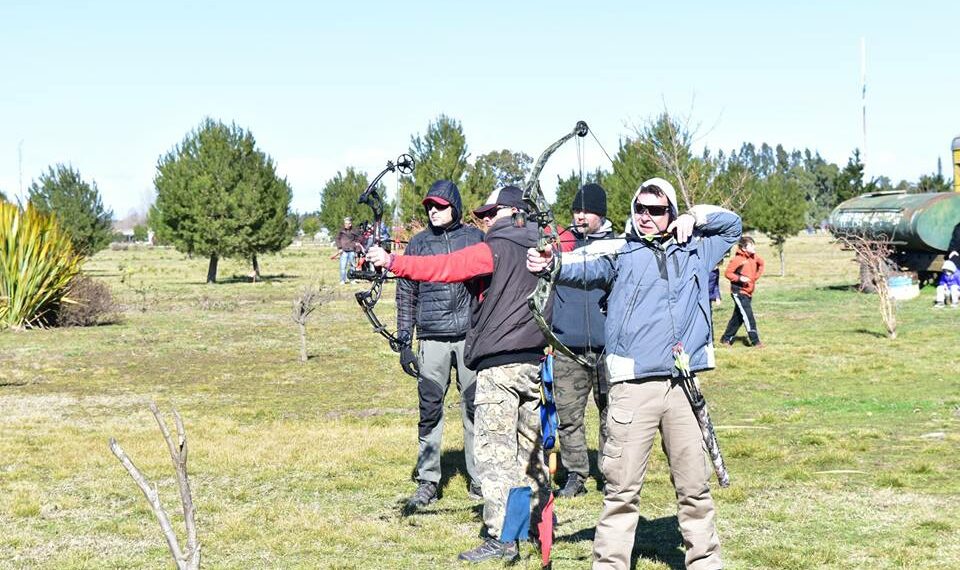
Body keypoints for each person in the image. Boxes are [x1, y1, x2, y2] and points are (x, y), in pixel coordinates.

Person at [527, 177, 741, 570]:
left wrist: (695, 216)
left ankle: (705, 562)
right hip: (631, 388)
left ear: (671, 214)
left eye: (656, 211)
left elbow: (733, 224)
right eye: (639, 209)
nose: (645, 217)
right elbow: (577, 264)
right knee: (621, 491)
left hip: (682, 386)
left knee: (695, 488)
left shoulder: (697, 248)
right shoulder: (620, 251)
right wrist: (548, 263)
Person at [367, 185, 550, 563]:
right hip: (534, 365)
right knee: (528, 455)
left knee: (497, 457)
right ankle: (532, 527)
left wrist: (392, 261)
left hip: (500, 368)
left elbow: (442, 269)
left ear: (511, 212)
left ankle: (503, 536)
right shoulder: (545, 249)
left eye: (491, 213)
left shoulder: (493, 248)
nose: (484, 220)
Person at [396, 180, 485, 509]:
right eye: (429, 206)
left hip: (470, 337)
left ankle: (480, 478)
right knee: (430, 409)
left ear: (455, 207)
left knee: (476, 408)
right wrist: (405, 338)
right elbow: (406, 292)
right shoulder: (418, 244)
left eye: (440, 206)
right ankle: (428, 479)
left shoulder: (476, 239)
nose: (433, 211)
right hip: (431, 337)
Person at [551, 183, 622, 498]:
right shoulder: (560, 244)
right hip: (568, 348)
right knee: (569, 417)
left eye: (587, 211)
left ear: (601, 213)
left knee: (613, 416)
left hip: (610, 348)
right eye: (576, 210)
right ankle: (576, 475)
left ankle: (612, 476)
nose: (580, 216)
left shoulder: (619, 246)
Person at [719, 236, 765, 348]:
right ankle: (755, 341)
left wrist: (754, 278)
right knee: (748, 316)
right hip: (739, 292)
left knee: (738, 317)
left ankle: (726, 339)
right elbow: (728, 273)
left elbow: (762, 264)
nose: (754, 247)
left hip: (748, 292)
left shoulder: (754, 257)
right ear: (744, 248)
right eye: (751, 245)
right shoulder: (738, 260)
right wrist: (740, 279)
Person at [334, 217, 360, 285]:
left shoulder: (354, 231)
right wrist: (339, 248)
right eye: (345, 223)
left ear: (350, 224)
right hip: (343, 251)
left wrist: (357, 250)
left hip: (352, 250)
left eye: (347, 223)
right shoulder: (341, 231)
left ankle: (352, 280)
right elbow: (337, 239)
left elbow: (358, 240)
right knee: (343, 266)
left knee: (352, 266)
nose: (346, 224)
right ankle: (342, 280)